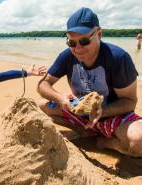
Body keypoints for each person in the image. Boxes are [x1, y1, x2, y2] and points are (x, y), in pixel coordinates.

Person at [37, 7, 142, 157]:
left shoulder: (118, 58)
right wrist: (61, 98)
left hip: (113, 115)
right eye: (71, 43)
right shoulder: (67, 56)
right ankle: (84, 131)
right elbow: (42, 84)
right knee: (40, 106)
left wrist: (103, 111)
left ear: (99, 34)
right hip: (80, 111)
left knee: (139, 142)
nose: (78, 48)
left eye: (84, 41)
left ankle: (106, 142)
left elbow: (130, 102)